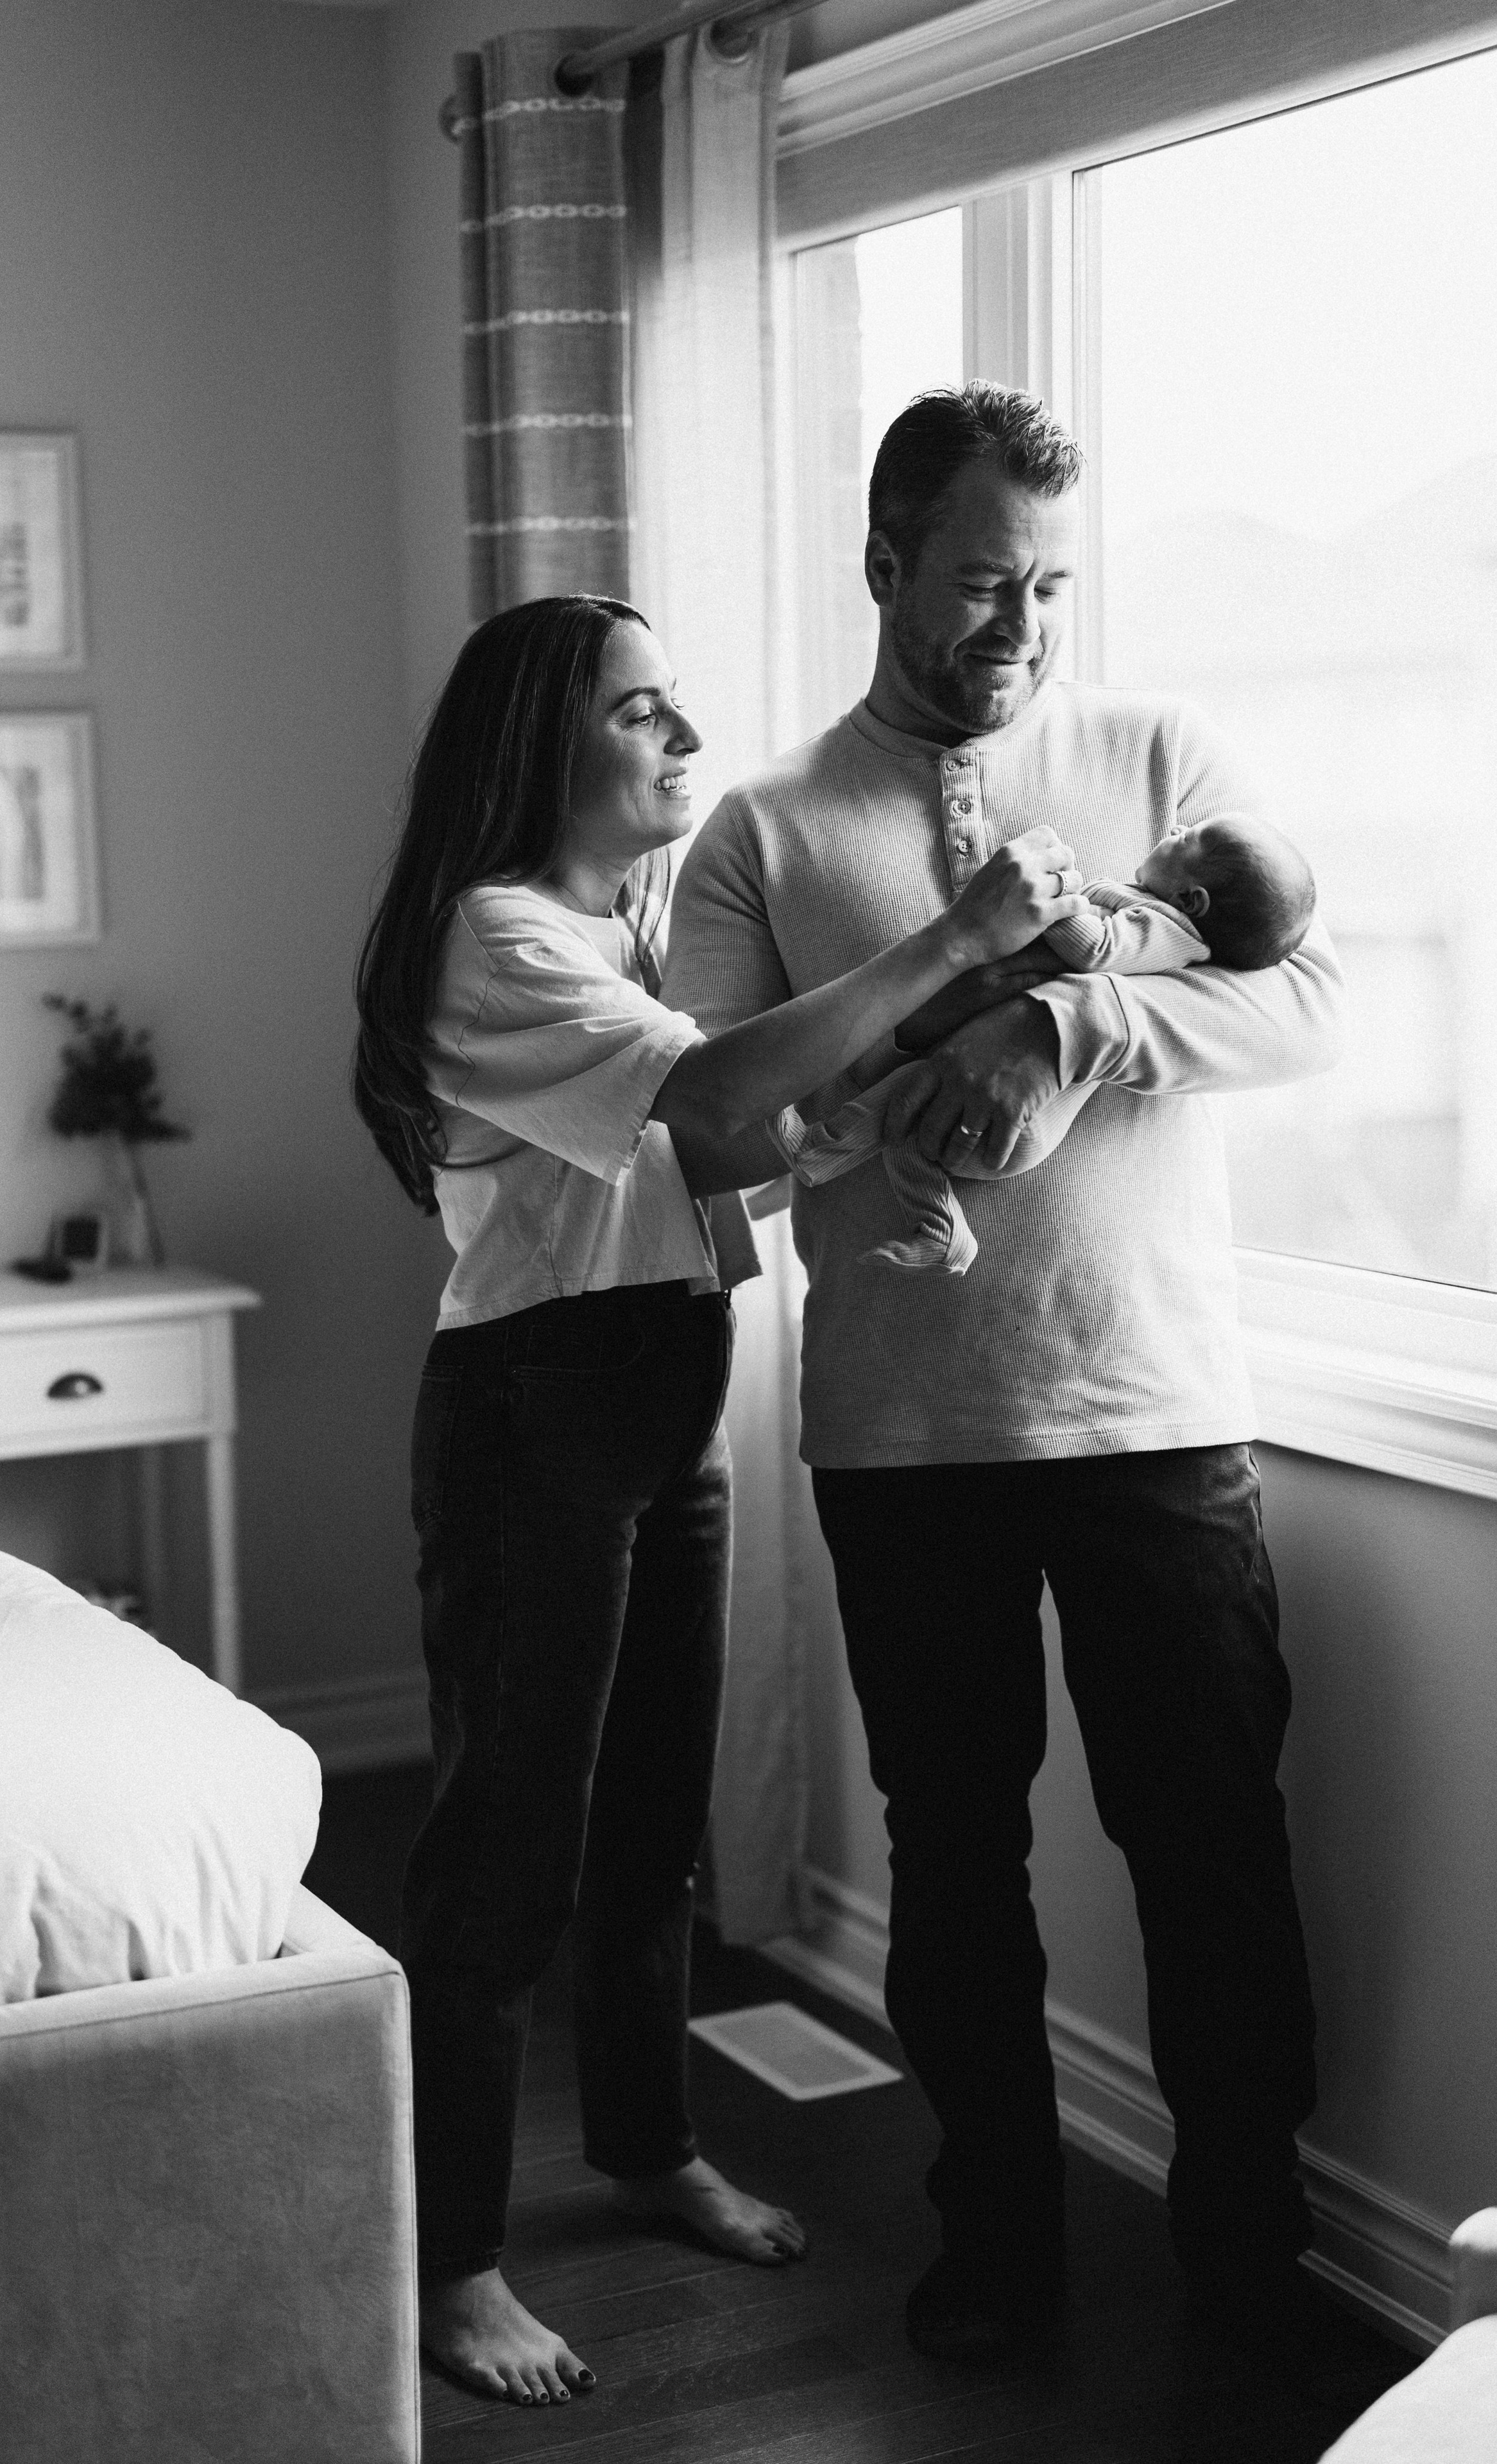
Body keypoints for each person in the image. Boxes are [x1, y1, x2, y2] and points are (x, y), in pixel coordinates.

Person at [662, 385, 1346, 2366]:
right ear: (885, 565)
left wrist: (1068, 1029)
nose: (1020, 626)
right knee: (953, 1859)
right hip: (903, 1432)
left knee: (1212, 1844)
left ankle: (1250, 2257)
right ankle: (996, 2246)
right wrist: (897, 1052)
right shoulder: (766, 828)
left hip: (1153, 1408)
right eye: (979, 583)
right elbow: (713, 1135)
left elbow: (1306, 1004)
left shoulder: (1161, 760)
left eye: (1048, 585)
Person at [350, 590, 1088, 2408]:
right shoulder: (493, 935)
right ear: (541, 742)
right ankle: (446, 2260)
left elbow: (726, 1151)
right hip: (534, 1410)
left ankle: (645, 2143)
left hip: (663, 1385)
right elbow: (708, 1092)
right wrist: (954, 939)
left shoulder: (626, 930)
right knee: (505, 1847)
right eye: (641, 710)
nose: (684, 737)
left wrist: (866, 1101)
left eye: (681, 704)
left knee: (652, 1822)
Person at [794, 810, 1317, 1273]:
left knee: (907, 1113)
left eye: (1188, 839)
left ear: (1191, 899)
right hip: (1010, 1113)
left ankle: (840, 1162)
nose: (1176, 827)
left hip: (1015, 1117)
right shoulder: (1159, 914)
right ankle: (878, 1191)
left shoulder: (1168, 930)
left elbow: (1097, 949)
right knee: (907, 1116)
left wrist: (1051, 901)